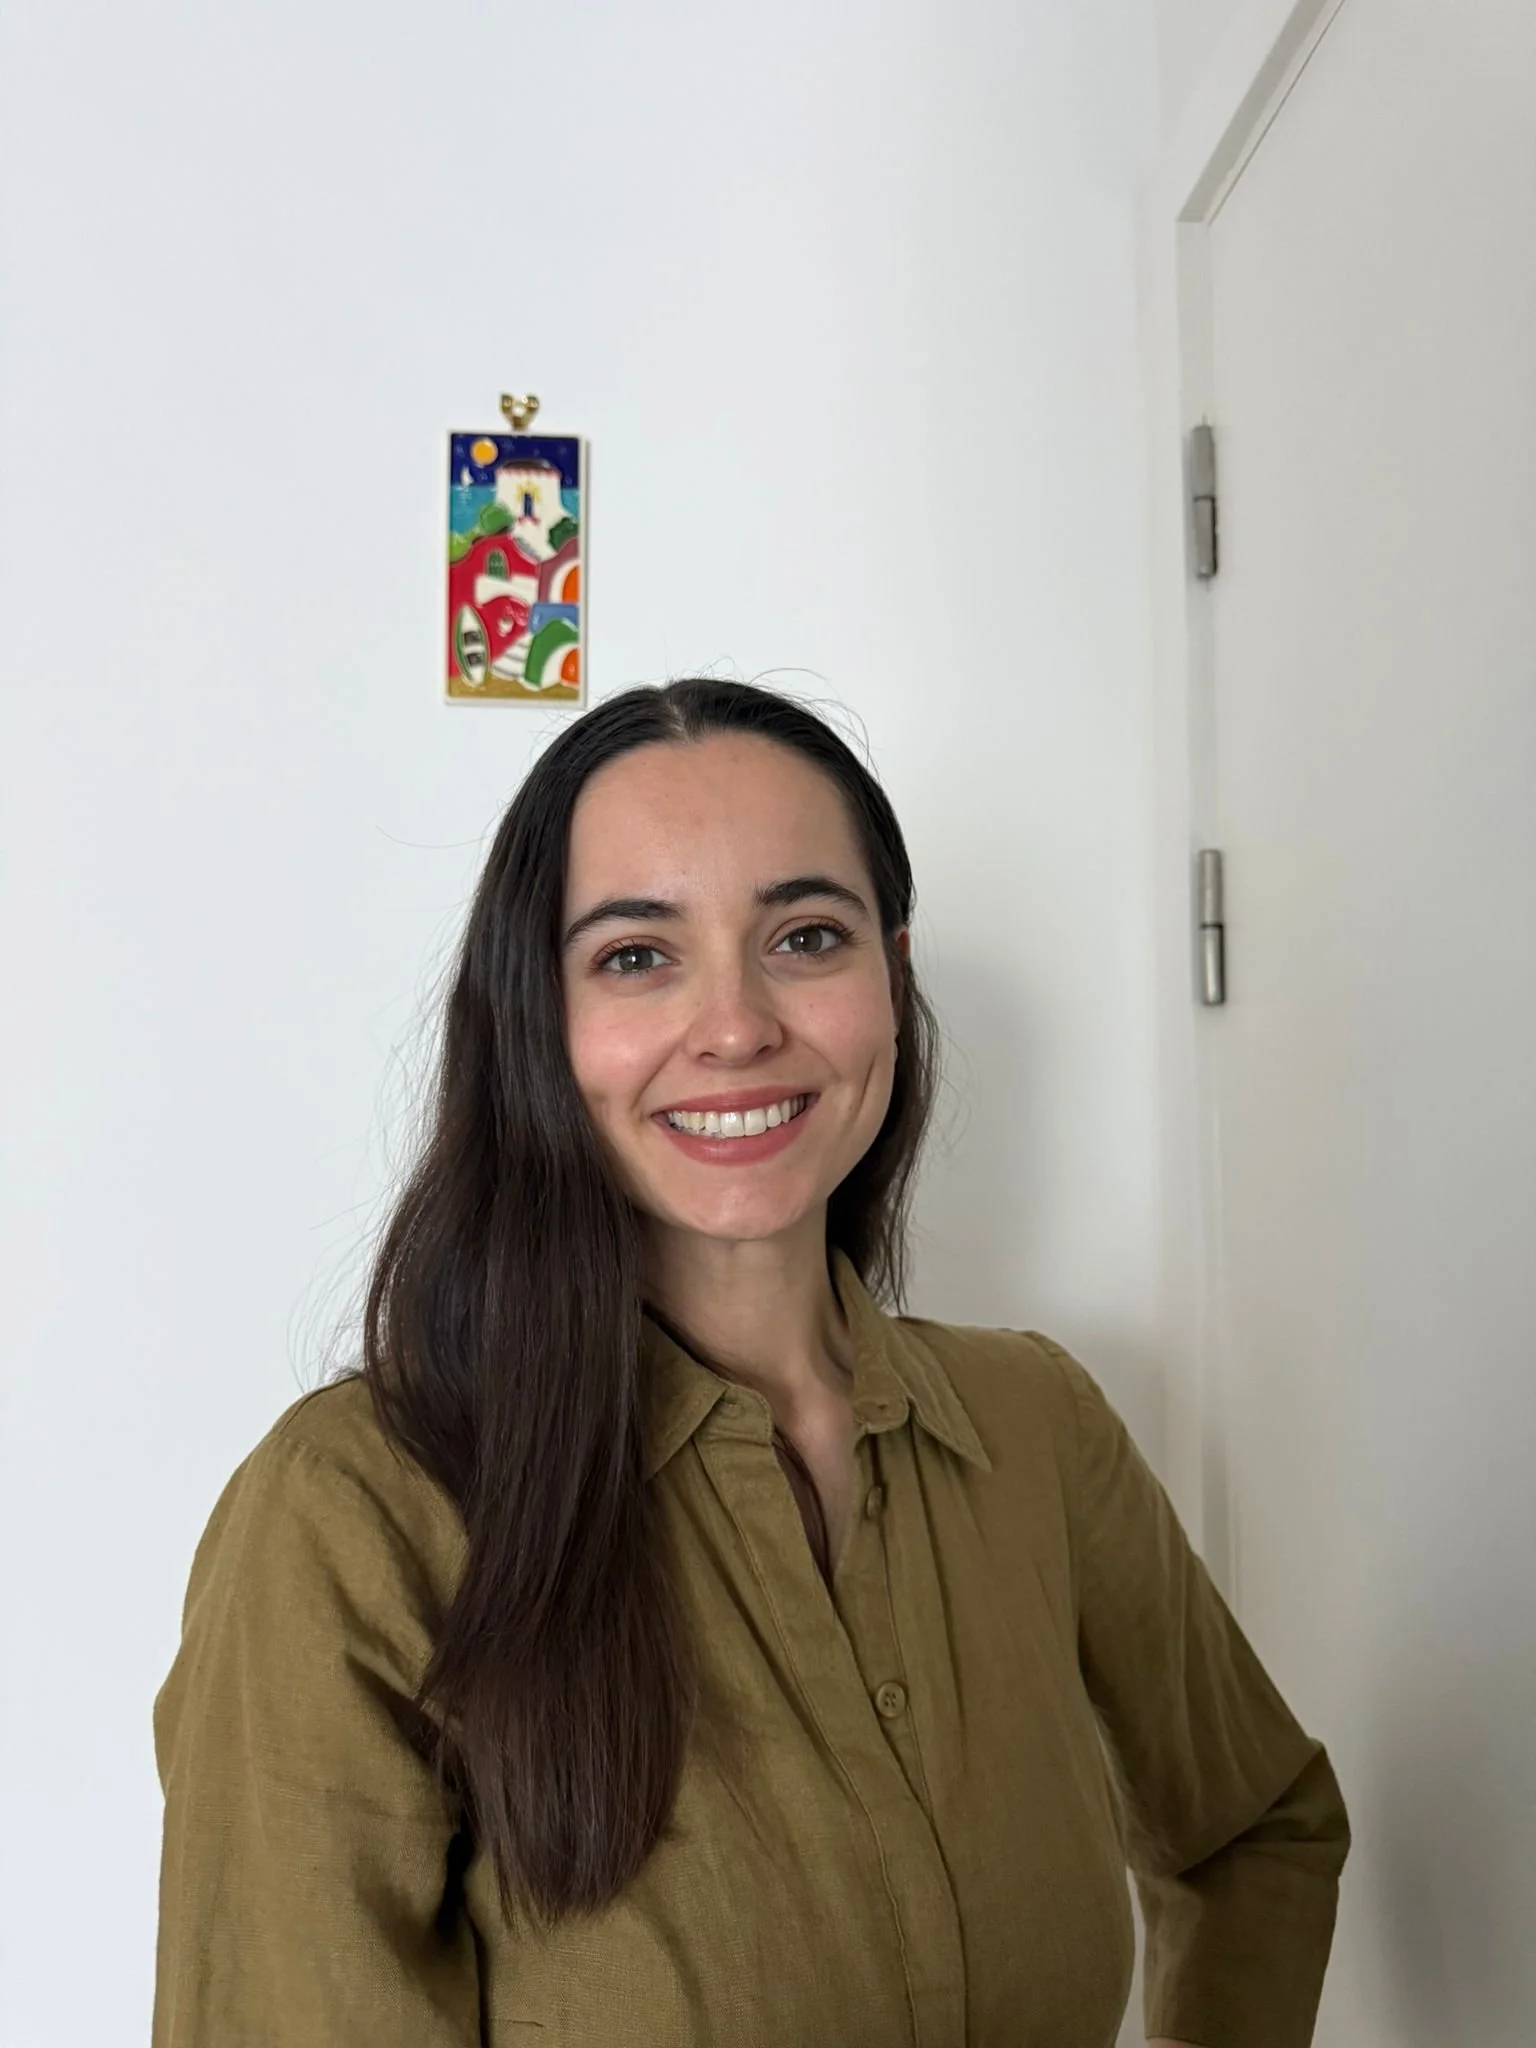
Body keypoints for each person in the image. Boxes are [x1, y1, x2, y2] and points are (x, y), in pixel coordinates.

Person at [152, 677, 1349, 2047]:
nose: (734, 1025)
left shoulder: (1041, 1429)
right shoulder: (351, 1516)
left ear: (892, 979)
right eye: (637, 956)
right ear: (538, 1019)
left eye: (805, 936)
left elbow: (1259, 1827)